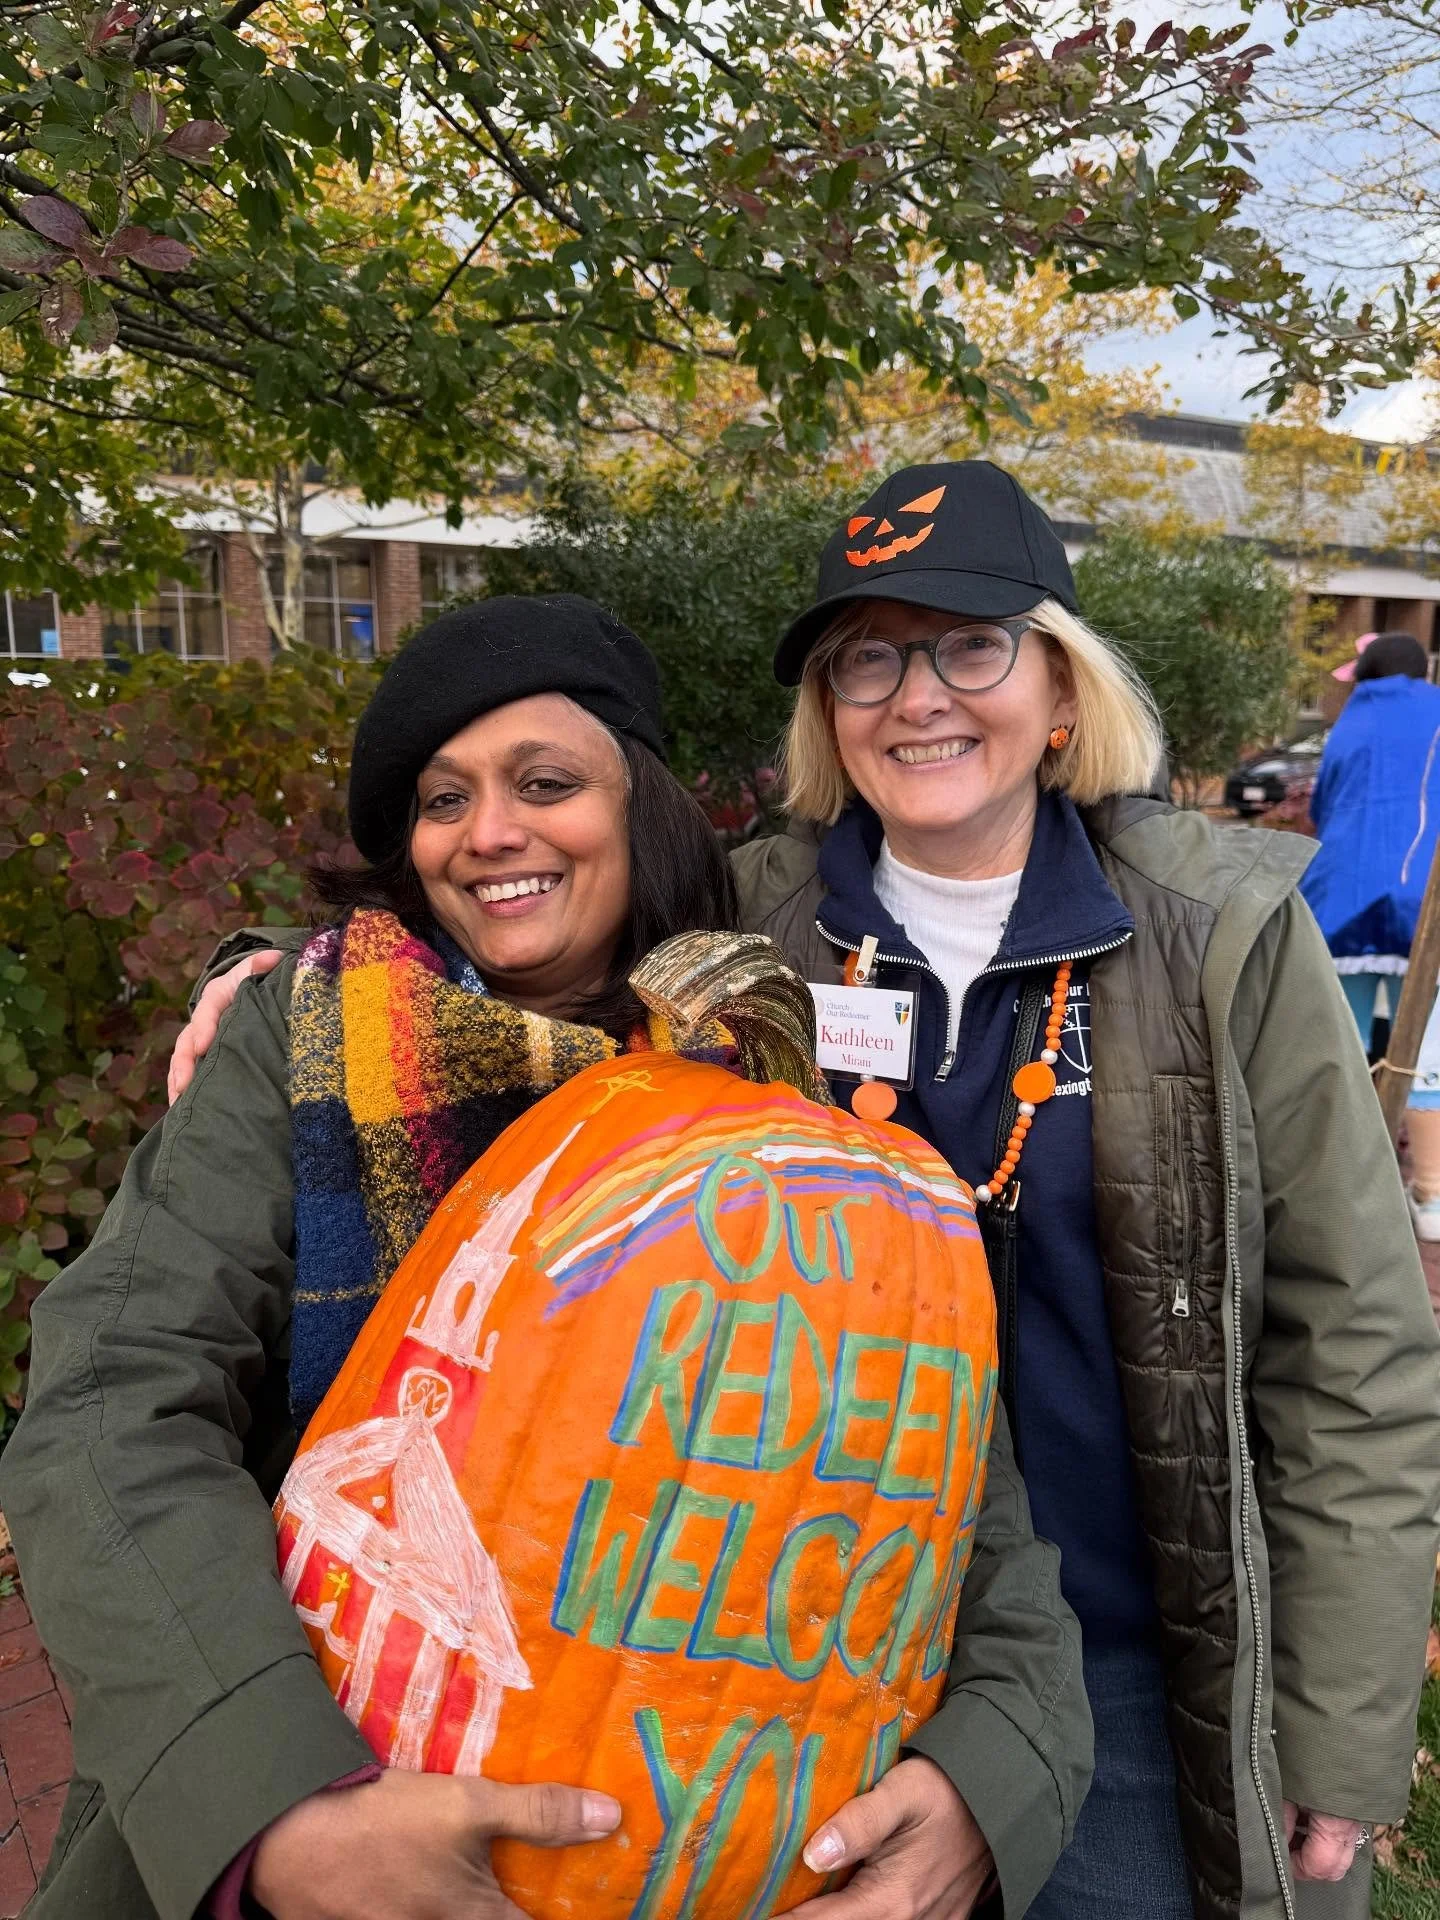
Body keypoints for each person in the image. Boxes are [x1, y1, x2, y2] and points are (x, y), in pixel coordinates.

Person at [173, 471, 1440, 1919]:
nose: (920, 699)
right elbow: (498, 932)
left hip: (1133, 1650)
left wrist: (1338, 1722)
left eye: (972, 646)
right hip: (785, 1655)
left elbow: (1351, 1346)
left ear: (1063, 690)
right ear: (828, 712)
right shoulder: (741, 915)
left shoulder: (1222, 945)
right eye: (869, 659)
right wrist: (274, 977)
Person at [2, 593, 1092, 1920]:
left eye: (546, 782)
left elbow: (947, 1486)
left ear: (640, 805)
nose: (490, 833)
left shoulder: (782, 1113)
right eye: (442, 800)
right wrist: (274, 1808)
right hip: (322, 1838)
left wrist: (990, 1780)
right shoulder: (306, 1046)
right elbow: (111, 1410)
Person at [1299, 630, 1440, 1237]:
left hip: (1346, 897)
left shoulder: (1350, 726)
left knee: (1345, 1039)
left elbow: (1325, 806)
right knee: (1429, 1048)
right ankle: (1431, 1194)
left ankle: (1341, 1183)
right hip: (1429, 902)